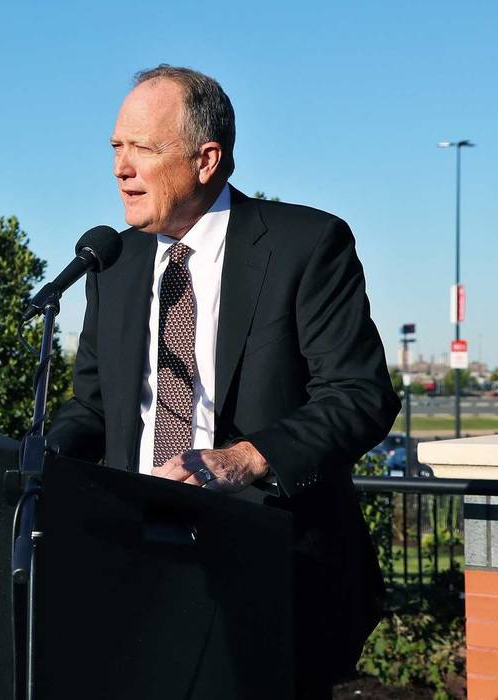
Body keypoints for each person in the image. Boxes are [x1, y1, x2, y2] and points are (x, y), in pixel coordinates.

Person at [47, 65, 400, 697]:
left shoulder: (305, 244)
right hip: (139, 561)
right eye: (116, 147)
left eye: (142, 148)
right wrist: (31, 467)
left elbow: (359, 394)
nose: (121, 168)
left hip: (272, 566)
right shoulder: (113, 264)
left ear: (206, 159)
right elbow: (93, 408)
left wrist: (244, 458)